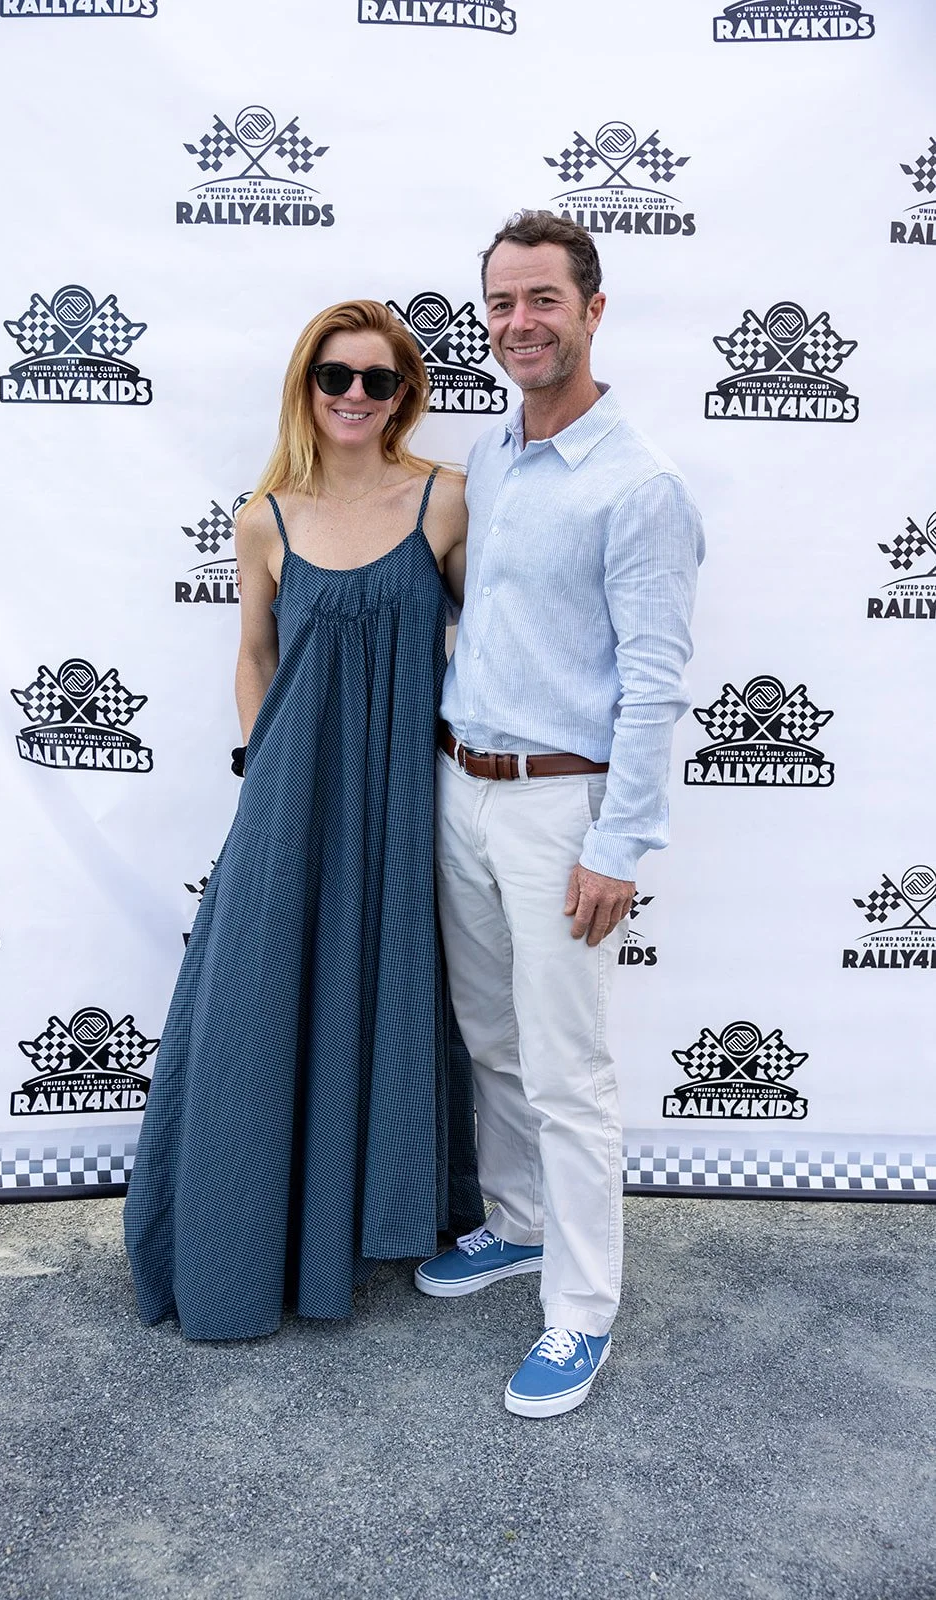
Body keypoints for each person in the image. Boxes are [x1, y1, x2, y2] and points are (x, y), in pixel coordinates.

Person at [125, 299, 484, 1340]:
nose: (354, 396)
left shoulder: (447, 502)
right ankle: (247, 1241)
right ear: (306, 386)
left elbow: (491, 638)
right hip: (289, 790)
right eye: (335, 376)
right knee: (257, 1002)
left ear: (403, 395)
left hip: (406, 792)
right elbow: (253, 652)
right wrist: (259, 761)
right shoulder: (264, 517)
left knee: (392, 987)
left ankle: (378, 1221)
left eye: (377, 379)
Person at [414, 211, 704, 1417]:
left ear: (592, 309)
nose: (517, 322)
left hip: (560, 810)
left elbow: (654, 683)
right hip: (459, 785)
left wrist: (615, 845)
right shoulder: (488, 457)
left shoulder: (640, 486)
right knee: (489, 1036)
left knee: (567, 1071)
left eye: (541, 299)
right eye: (500, 302)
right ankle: (520, 1221)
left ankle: (579, 1309)